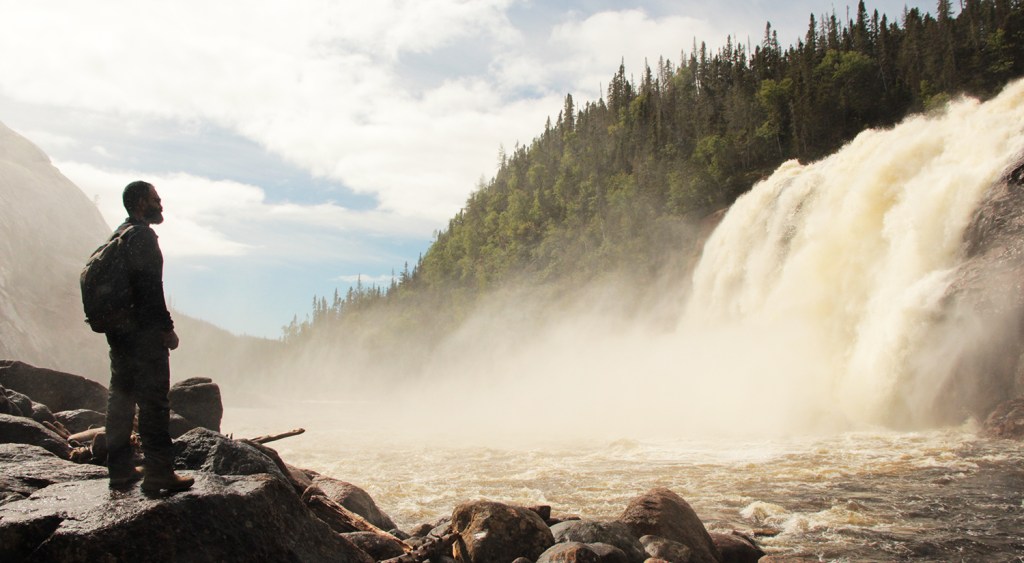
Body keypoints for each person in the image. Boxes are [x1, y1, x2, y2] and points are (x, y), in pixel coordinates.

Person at [104, 180, 193, 493]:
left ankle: (119, 470)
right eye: (156, 199)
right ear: (141, 202)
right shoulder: (142, 236)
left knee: (121, 399)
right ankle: (159, 473)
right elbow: (151, 288)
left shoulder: (118, 235)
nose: (161, 204)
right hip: (144, 335)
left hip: (119, 334)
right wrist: (167, 329)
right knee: (154, 403)